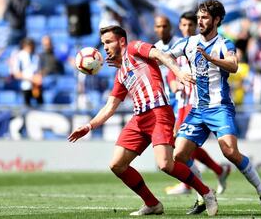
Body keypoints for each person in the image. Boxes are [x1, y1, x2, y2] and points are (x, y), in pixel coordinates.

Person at [68, 25, 218, 216]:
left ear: (121, 41)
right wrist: (89, 126)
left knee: (165, 164)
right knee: (117, 165)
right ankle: (152, 204)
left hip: (159, 113)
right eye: (103, 43)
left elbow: (160, 55)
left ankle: (206, 192)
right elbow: (109, 107)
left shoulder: (134, 47)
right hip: (139, 119)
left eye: (108, 42)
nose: (104, 47)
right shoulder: (121, 73)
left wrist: (179, 73)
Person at [168, 0, 261, 215]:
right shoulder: (188, 43)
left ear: (216, 20)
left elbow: (234, 65)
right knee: (179, 155)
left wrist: (211, 59)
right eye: (198, 17)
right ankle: (203, 195)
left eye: (205, 17)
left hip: (220, 108)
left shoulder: (224, 43)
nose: (200, 21)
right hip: (197, 109)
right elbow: (166, 55)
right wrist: (176, 72)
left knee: (230, 152)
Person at [163, 11, 231, 215]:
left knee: (180, 145)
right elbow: (170, 70)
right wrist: (174, 82)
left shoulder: (198, 43)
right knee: (183, 146)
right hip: (181, 101)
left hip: (196, 103)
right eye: (182, 25)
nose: (186, 28)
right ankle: (217, 172)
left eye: (189, 24)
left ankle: (197, 187)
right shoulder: (181, 45)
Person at [153, 15, 180, 114]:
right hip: (164, 97)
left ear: (170, 27)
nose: (162, 29)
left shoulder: (179, 43)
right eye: (159, 26)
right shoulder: (155, 48)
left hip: (180, 94)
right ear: (155, 28)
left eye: (164, 26)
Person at [11, 38, 43, 106]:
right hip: (25, 86)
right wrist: (30, 79)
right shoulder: (19, 56)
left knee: (40, 106)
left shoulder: (36, 56)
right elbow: (16, 73)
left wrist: (38, 77)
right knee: (26, 107)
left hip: (36, 87)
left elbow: (39, 70)